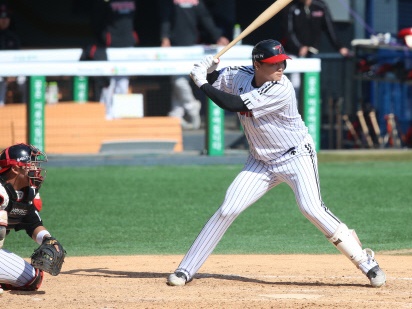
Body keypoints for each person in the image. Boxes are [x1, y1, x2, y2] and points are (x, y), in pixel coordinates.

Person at [166, 39, 386, 288]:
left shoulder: (281, 88)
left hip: (296, 156)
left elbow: (232, 103)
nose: (281, 67)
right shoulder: (239, 75)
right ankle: (186, 269)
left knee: (311, 208)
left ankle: (367, 263)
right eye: (274, 63)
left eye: (282, 62)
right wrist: (209, 69)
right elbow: (219, 80)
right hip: (260, 161)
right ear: (257, 64)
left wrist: (201, 81)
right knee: (228, 209)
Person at [0, 143, 65, 293]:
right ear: (15, 168)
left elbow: (32, 223)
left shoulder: (24, 194)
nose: (36, 169)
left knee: (32, 279)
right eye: (30, 164)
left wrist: (48, 239)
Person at [158, 0, 229, 129]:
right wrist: (165, 37)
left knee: (179, 81)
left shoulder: (196, 2)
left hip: (191, 47)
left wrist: (217, 36)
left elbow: (205, 18)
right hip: (174, 46)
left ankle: (176, 113)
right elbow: (166, 18)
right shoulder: (170, 3)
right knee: (178, 81)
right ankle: (191, 106)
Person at [85, 0, 139, 119]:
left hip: (128, 45)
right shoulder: (105, 2)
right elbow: (97, 20)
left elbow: (138, 20)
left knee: (123, 82)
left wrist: (133, 37)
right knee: (109, 82)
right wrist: (105, 38)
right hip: (111, 46)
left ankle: (119, 114)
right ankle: (106, 113)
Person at [0, 3, 24, 106]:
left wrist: (13, 72)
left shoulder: (13, 37)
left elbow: (18, 57)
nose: (4, 20)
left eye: (7, 18)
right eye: (1, 18)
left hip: (13, 69)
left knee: (24, 79)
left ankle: (26, 105)